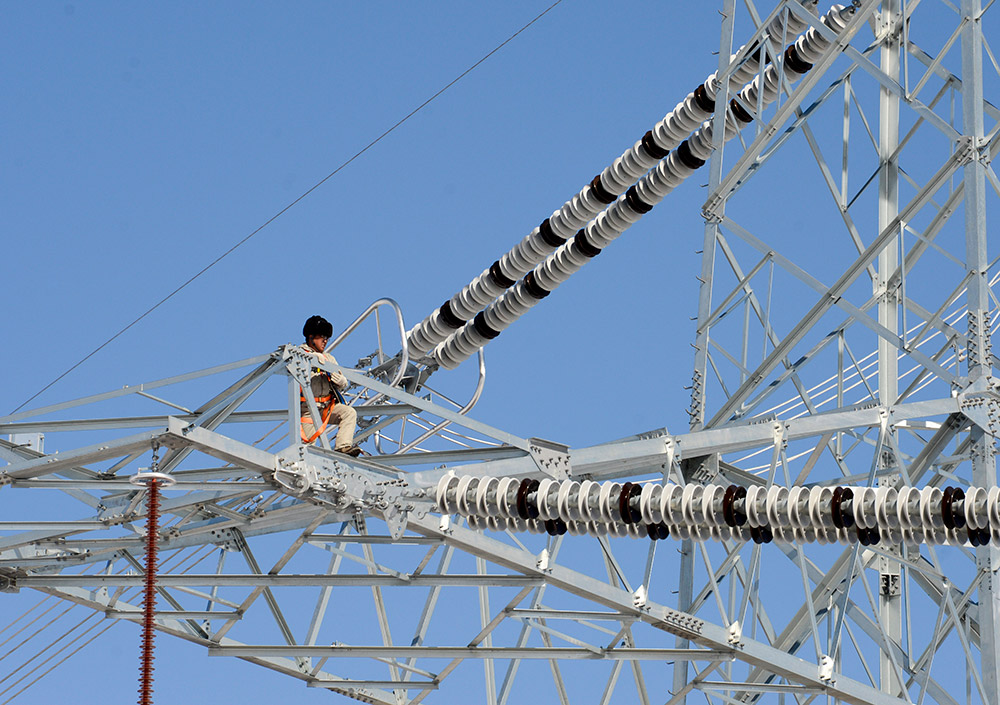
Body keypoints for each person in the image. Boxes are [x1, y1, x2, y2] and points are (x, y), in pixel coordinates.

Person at [298, 315, 361, 457]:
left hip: (326, 407)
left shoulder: (329, 358)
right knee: (307, 450)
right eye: (321, 336)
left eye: (327, 337)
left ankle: (343, 447)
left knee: (349, 412)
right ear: (311, 337)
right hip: (308, 409)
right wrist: (312, 359)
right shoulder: (299, 353)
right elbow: (296, 368)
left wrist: (342, 382)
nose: (325, 340)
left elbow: (339, 381)